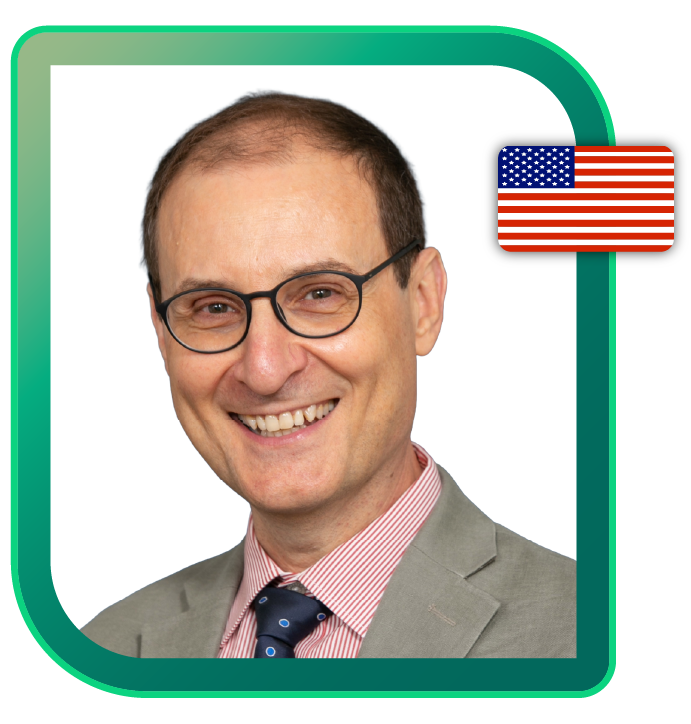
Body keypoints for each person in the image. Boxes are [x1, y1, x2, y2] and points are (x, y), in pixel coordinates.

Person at [82, 92, 576, 659]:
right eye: (214, 307)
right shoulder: (101, 653)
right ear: (161, 329)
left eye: (320, 294)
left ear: (422, 301)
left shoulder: (599, 636)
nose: (264, 370)